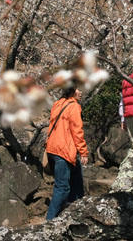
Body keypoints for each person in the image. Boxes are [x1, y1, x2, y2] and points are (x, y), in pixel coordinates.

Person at [46, 86, 89, 220]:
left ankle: (73, 213)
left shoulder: (57, 104)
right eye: (78, 89)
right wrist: (83, 152)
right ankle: (49, 221)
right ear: (71, 90)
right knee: (62, 188)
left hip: (53, 148)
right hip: (63, 151)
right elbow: (77, 131)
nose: (80, 92)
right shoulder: (74, 106)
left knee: (76, 180)